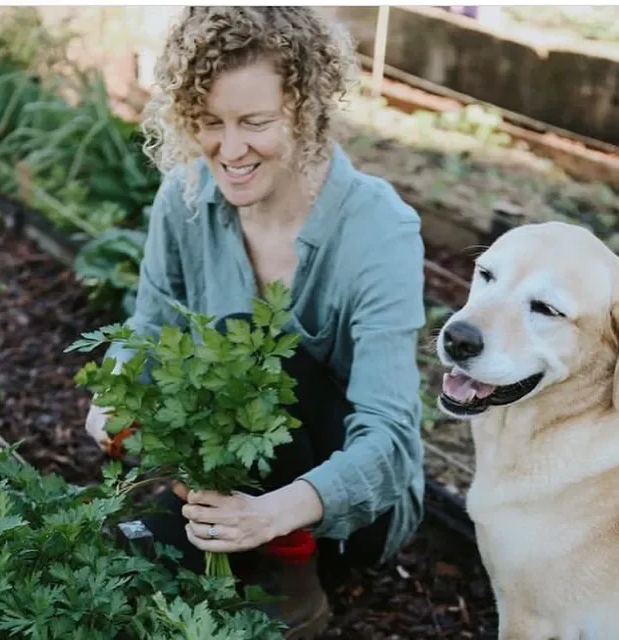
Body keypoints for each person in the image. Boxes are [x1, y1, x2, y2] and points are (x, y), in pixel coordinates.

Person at [84, 7, 426, 639]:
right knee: (123, 569)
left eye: (256, 122)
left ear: (308, 110)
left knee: (267, 349)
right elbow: (150, 328)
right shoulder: (185, 199)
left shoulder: (380, 231)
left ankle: (293, 581)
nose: (230, 149)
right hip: (230, 471)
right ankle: (214, 527)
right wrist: (117, 389)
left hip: (341, 504)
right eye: (210, 122)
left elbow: (393, 442)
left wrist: (274, 515)